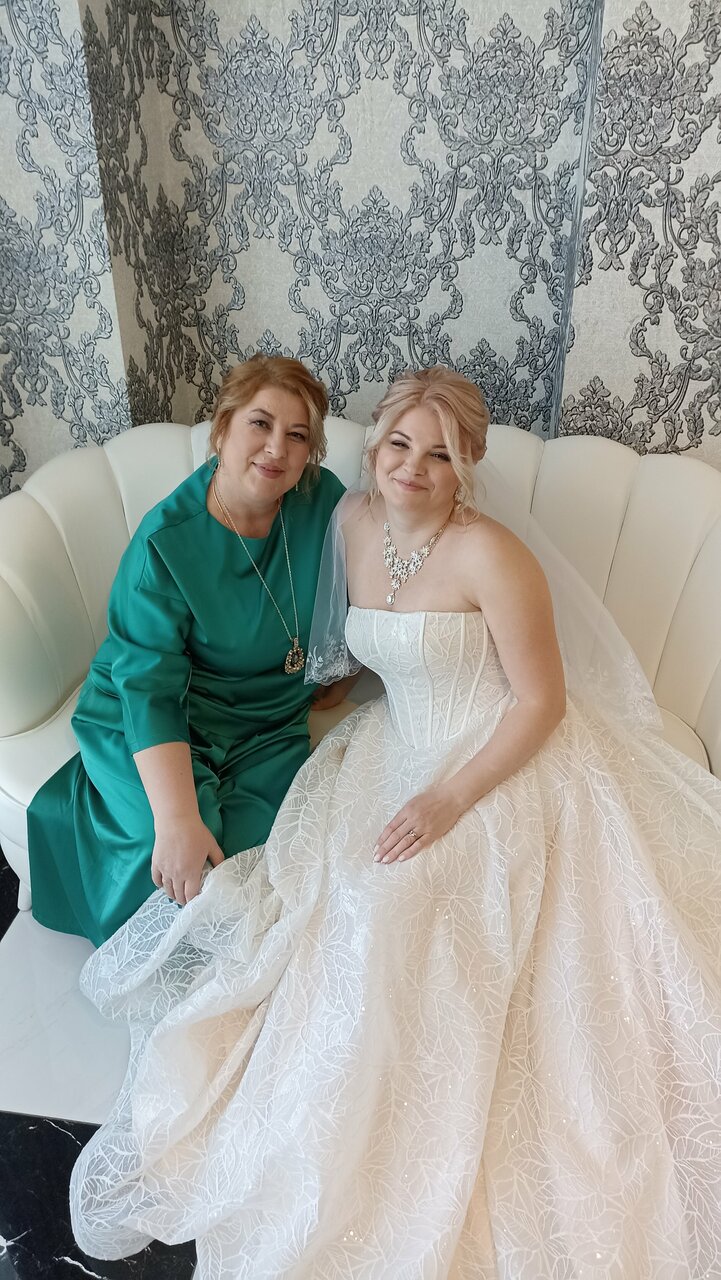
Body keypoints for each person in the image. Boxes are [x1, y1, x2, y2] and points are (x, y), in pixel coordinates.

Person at [71, 367, 721, 1278]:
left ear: (467, 466)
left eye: (439, 454)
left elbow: (539, 703)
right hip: (389, 745)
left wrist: (449, 797)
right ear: (371, 451)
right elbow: (323, 633)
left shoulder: (492, 554)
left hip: (493, 755)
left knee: (414, 902)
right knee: (324, 895)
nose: (413, 466)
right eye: (398, 445)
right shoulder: (345, 520)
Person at [27, 355, 346, 946]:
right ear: (222, 429)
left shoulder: (321, 499)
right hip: (158, 715)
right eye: (260, 423)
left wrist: (342, 667)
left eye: (298, 435)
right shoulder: (165, 542)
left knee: (253, 866)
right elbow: (149, 689)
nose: (277, 448)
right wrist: (176, 817)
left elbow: (365, 585)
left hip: (267, 726)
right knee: (181, 859)